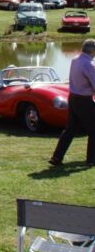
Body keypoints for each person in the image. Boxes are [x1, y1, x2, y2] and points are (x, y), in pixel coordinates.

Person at [49, 39, 95, 167]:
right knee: (93, 130)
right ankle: (92, 160)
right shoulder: (89, 65)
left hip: (73, 99)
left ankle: (56, 157)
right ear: (93, 50)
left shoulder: (75, 60)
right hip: (84, 101)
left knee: (69, 130)